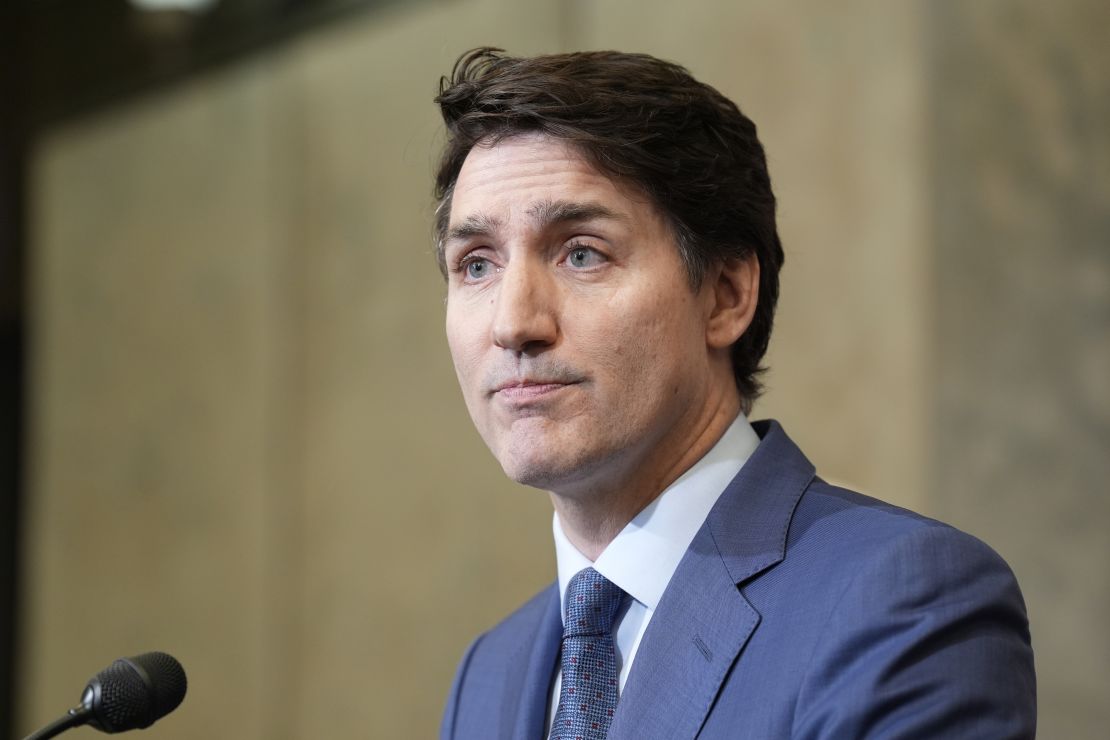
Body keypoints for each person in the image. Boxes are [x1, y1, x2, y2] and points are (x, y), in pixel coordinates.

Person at [432, 48, 1035, 740]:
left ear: (726, 295)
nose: (513, 323)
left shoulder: (905, 602)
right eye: (476, 264)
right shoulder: (490, 672)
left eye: (582, 253)